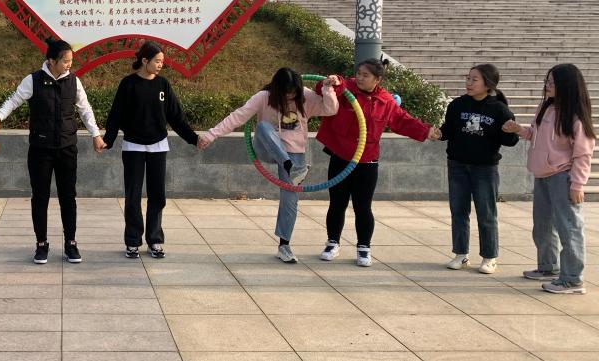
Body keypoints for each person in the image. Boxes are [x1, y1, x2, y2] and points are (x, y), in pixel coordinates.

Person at [198, 69, 340, 263]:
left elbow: (330, 109)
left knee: (290, 200)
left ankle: (284, 246)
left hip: (294, 153)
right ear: (277, 89)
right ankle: (290, 166)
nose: (290, 96)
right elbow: (237, 116)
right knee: (264, 126)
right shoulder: (263, 97)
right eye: (287, 93)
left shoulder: (305, 96)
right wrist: (211, 135)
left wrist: (328, 89)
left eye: (294, 93)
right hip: (267, 147)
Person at [0, 39, 104, 265]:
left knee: (68, 197)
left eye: (71, 61)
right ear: (51, 61)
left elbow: (85, 109)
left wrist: (96, 135)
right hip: (40, 150)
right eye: (65, 61)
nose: (69, 65)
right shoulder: (33, 80)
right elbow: (13, 100)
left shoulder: (74, 81)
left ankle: (71, 243)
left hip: (67, 147)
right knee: (40, 197)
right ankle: (41, 244)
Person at [316, 59, 440, 267]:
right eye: (359, 73)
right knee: (337, 203)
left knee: (363, 206)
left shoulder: (385, 100)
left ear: (377, 79)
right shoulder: (346, 88)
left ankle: (364, 247)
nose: (360, 78)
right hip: (342, 156)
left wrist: (426, 131)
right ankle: (332, 242)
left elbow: (402, 120)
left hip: (367, 159)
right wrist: (329, 82)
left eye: (365, 75)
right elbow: (324, 89)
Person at [503, 64, 595, 294]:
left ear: (567, 86)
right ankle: (548, 267)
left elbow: (583, 152)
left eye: (553, 82)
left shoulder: (574, 116)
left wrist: (577, 184)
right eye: (547, 81)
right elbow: (535, 134)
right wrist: (518, 129)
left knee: (569, 228)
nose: (547, 85)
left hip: (562, 177)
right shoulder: (545, 108)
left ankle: (572, 279)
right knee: (542, 226)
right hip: (542, 175)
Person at [103, 41, 199, 259]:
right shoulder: (128, 84)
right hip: (133, 147)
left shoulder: (163, 85)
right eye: (157, 61)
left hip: (158, 146)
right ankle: (132, 241)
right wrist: (107, 140)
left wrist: (194, 139)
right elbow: (115, 115)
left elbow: (176, 117)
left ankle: (154, 240)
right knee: (133, 196)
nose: (160, 65)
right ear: (144, 60)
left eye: (162, 61)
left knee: (157, 195)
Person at [439, 64, 518, 274]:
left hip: (485, 168)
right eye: (468, 78)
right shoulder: (457, 105)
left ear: (488, 84)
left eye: (474, 79)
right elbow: (448, 130)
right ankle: (461, 254)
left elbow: (510, 141)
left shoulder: (499, 109)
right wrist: (438, 133)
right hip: (457, 165)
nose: (469, 83)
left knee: (486, 213)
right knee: (458, 211)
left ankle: (489, 257)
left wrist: (510, 131)